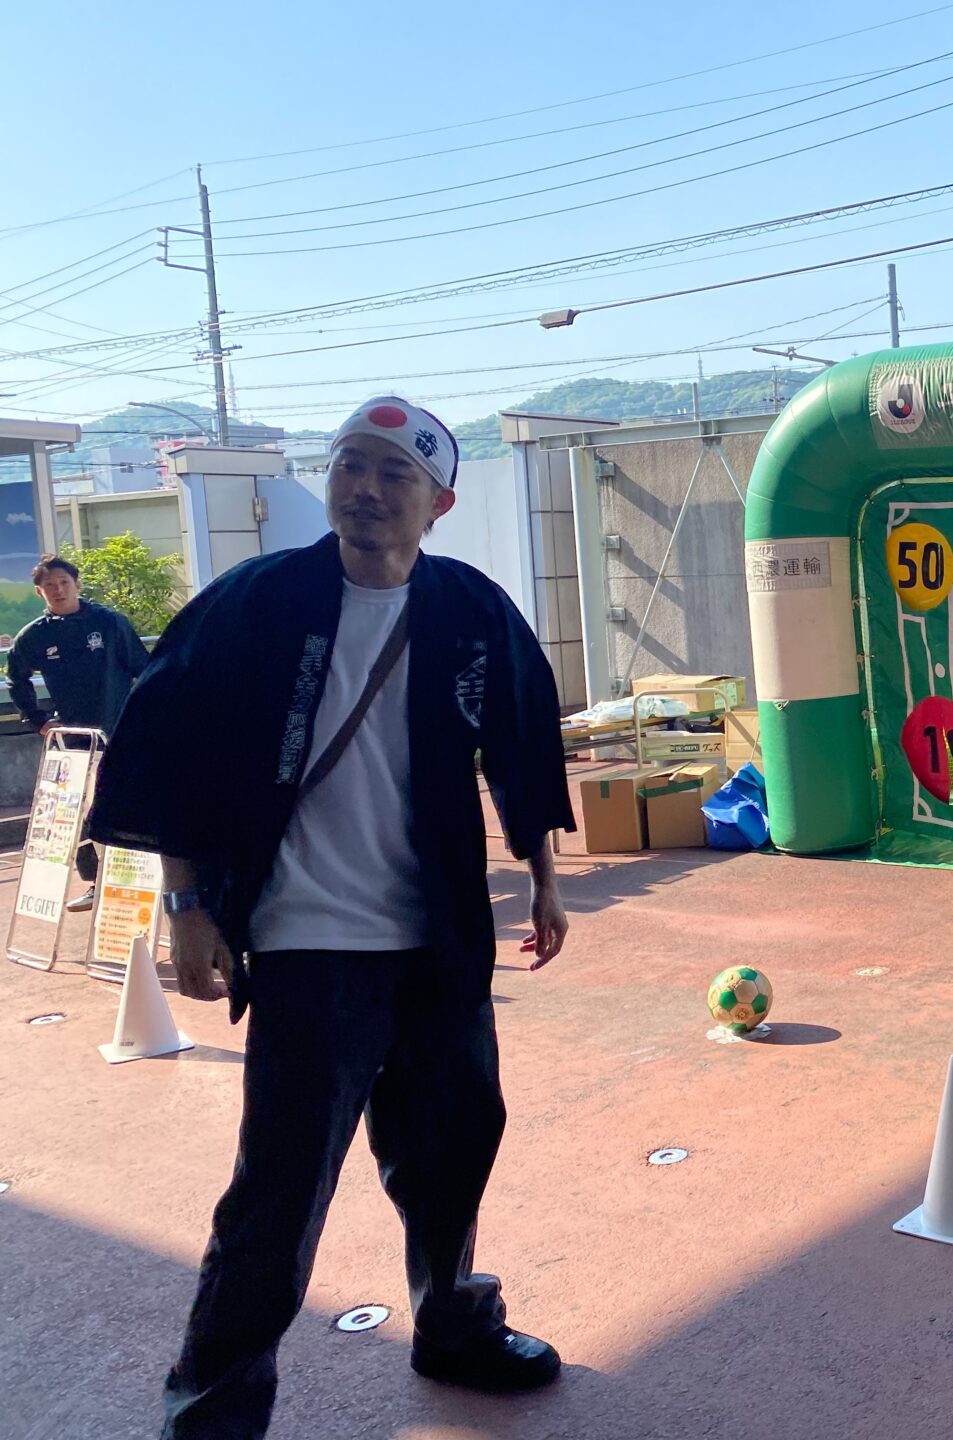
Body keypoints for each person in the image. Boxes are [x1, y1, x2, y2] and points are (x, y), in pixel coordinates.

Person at [87, 395, 577, 1439]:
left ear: (439, 503)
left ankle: (452, 1323)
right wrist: (188, 906)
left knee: (453, 1148)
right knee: (278, 1194)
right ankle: (212, 1412)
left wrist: (543, 874)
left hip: (438, 938)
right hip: (308, 943)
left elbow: (523, 736)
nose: (365, 488)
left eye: (395, 473)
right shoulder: (257, 603)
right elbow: (172, 745)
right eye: (351, 464)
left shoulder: (469, 609)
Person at [6, 553, 150, 911]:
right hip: (72, 739)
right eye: (49, 586)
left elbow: (145, 669)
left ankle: (137, 883)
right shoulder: (35, 635)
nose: (58, 590)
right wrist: (38, 720)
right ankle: (95, 882)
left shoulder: (109, 623)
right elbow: (17, 679)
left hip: (118, 732)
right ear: (40, 592)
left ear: (77, 585)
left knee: (128, 804)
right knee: (80, 811)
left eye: (64, 583)